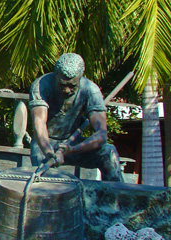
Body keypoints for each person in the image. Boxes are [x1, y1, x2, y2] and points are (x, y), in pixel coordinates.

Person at [29, 53, 124, 182]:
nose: (67, 90)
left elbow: (101, 136)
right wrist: (49, 152)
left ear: (80, 76)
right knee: (43, 175)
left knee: (109, 152)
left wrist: (72, 149)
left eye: (72, 86)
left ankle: (116, 196)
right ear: (56, 74)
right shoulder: (41, 85)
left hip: (74, 145)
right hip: (46, 144)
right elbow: (39, 124)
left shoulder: (91, 90)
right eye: (62, 85)